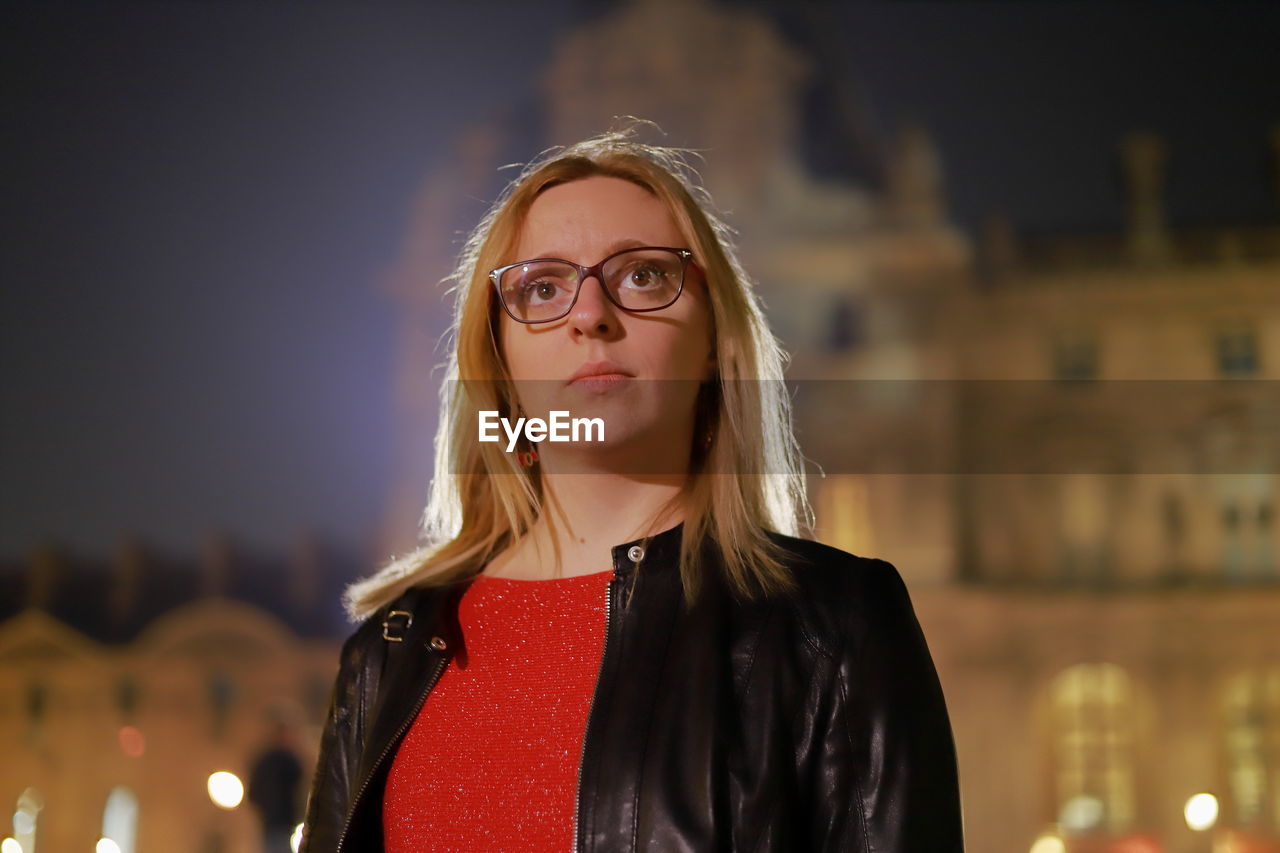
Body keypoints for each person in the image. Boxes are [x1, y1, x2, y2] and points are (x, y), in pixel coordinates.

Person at [298, 120, 964, 852]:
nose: (590, 314)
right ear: (498, 358)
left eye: (643, 274)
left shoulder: (838, 628)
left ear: (714, 339)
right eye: (543, 287)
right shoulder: (384, 653)